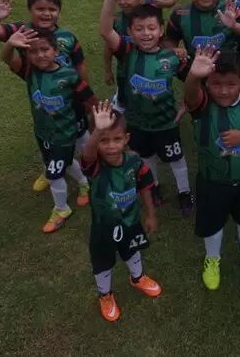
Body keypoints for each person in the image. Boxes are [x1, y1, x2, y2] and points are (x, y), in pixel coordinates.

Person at [99, 0, 195, 217]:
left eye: (151, 28)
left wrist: (188, 101)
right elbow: (105, 30)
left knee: (175, 158)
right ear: (130, 31)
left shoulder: (172, 58)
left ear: (161, 30)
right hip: (137, 122)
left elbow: (194, 80)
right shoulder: (127, 52)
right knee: (146, 156)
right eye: (139, 29)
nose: (146, 33)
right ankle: (155, 187)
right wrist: (110, 0)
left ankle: (184, 192)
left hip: (165, 123)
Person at [0, 0, 93, 202]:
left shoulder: (68, 37)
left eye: (51, 9)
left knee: (82, 139)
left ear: (59, 12)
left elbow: (80, 66)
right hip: (40, 88)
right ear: (30, 10)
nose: (46, 14)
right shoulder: (21, 31)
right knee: (49, 136)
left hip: (70, 97)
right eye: (40, 9)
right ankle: (51, 167)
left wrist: (85, 94)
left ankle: (90, 175)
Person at [184, 47, 240, 290]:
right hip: (212, 182)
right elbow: (190, 95)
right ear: (206, 83)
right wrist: (193, 75)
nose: (223, 90)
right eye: (215, 83)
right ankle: (212, 259)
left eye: (231, 84)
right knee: (212, 224)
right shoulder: (202, 104)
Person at [1, 27, 97, 232]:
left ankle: (61, 209)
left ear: (55, 51)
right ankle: (84, 183)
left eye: (45, 49)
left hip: (64, 134)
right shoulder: (29, 71)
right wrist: (10, 43)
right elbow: (7, 58)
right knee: (65, 163)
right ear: (27, 54)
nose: (40, 55)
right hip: (43, 132)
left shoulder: (69, 76)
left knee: (54, 174)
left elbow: (90, 100)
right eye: (33, 51)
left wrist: (100, 120)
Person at [83, 101, 162, 323]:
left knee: (133, 250)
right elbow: (87, 155)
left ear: (126, 139)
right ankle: (105, 295)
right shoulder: (95, 165)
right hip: (103, 226)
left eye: (116, 139)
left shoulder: (135, 161)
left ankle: (137, 278)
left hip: (130, 220)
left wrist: (151, 214)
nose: (110, 146)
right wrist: (98, 130)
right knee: (103, 261)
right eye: (103, 141)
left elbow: (145, 186)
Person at [101, 0, 145, 111]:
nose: (122, 2)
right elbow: (109, 47)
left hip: (146, 72)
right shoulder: (117, 20)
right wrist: (108, 70)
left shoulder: (150, 20)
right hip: (123, 73)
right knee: (124, 104)